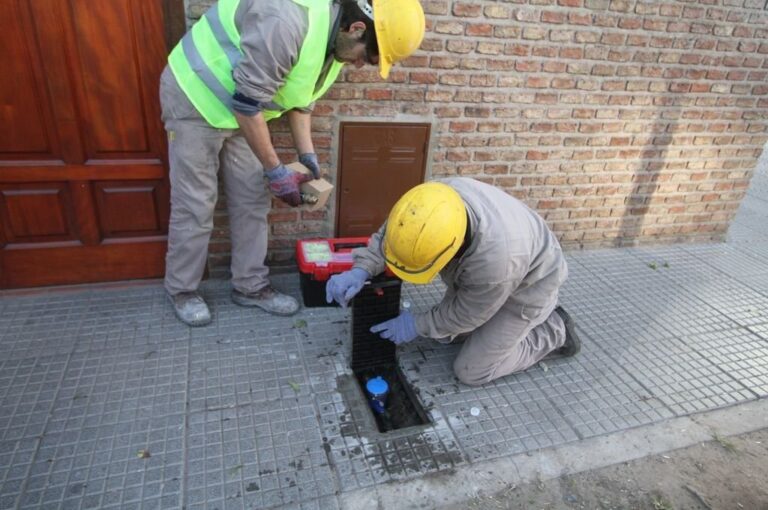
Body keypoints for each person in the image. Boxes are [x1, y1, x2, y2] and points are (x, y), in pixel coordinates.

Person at [159, 0, 425, 326]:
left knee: (252, 199)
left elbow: (301, 104)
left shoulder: (336, 43)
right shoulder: (285, 20)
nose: (359, 67)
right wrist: (276, 171)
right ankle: (182, 290)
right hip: (196, 95)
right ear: (357, 29)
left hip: (245, 111)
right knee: (196, 203)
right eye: (365, 58)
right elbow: (246, 104)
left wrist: (307, 157)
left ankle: (250, 287)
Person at [325, 178, 581, 386]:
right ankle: (495, 331)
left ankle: (555, 330)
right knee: (445, 334)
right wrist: (360, 269)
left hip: (530, 287)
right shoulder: (430, 203)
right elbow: (391, 237)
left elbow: (469, 313)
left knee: (471, 370)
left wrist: (417, 324)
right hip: (492, 275)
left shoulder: (495, 262)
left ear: (454, 249)